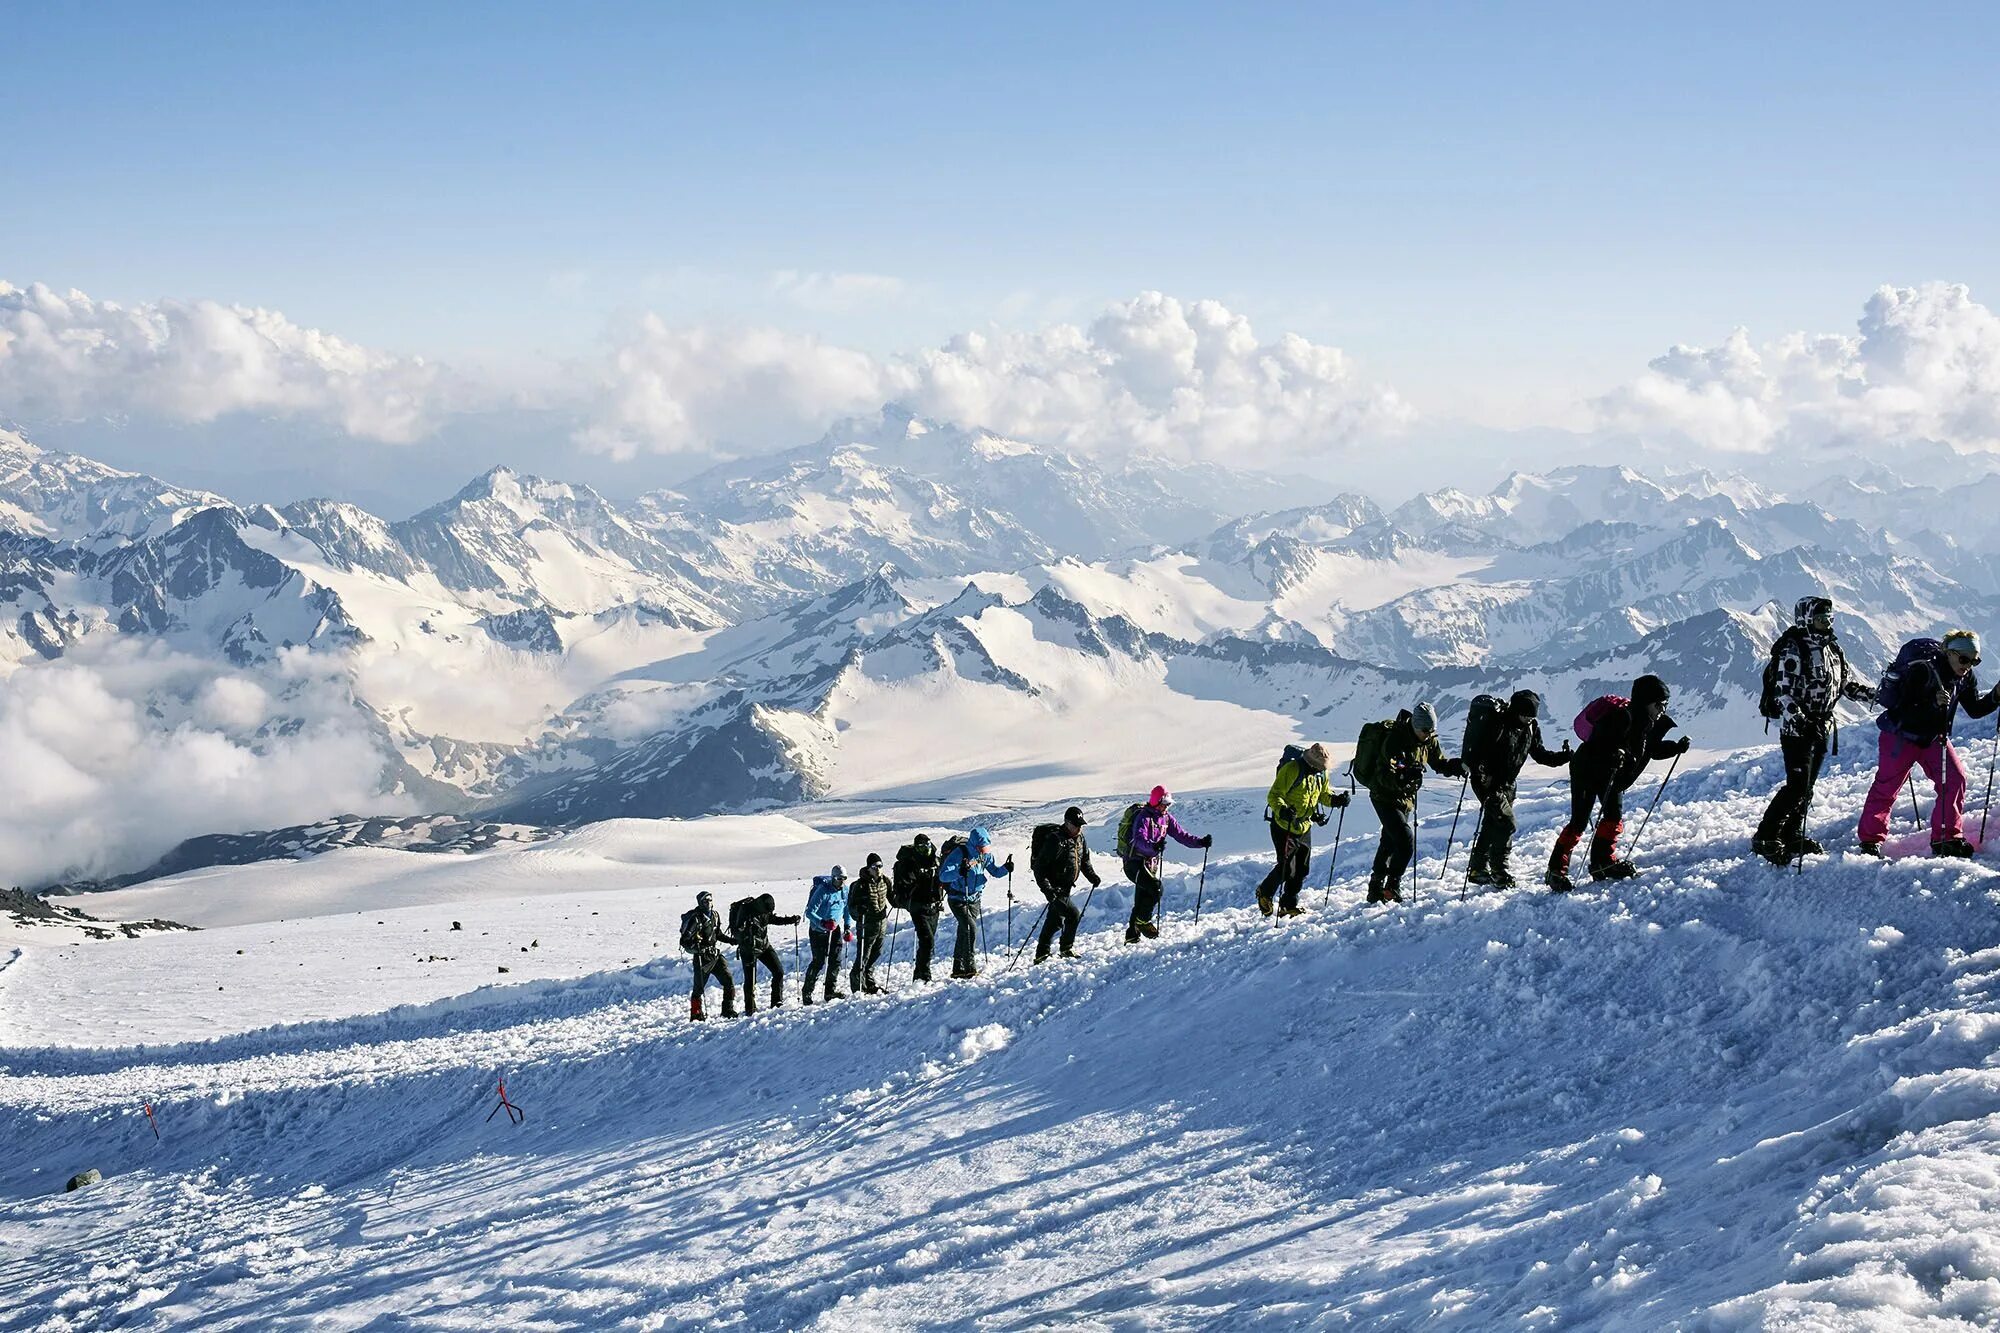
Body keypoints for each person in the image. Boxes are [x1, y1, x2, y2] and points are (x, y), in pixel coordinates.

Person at [1753, 597, 1878, 864]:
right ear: (1806, 619)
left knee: (1807, 787)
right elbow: (1782, 691)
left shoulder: (1832, 647)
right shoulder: (1793, 648)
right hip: (1797, 729)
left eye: (1830, 618)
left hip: (1821, 725)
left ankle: (1792, 833)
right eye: (1822, 618)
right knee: (1797, 786)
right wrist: (1799, 720)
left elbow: (1842, 684)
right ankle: (1766, 836)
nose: (1827, 623)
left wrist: (1872, 696)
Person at [1856, 629, 2000, 857]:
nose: (1968, 666)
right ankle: (1870, 840)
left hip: (1933, 738)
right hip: (1901, 736)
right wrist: (1932, 702)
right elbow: (1903, 708)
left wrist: (1996, 695)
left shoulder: (1964, 677)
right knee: (1887, 786)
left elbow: (1975, 709)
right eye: (1964, 659)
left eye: (1975, 661)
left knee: (1955, 779)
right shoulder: (1923, 670)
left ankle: (1946, 838)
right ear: (1949, 652)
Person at [1547, 675, 1690, 891]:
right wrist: (1614, 754)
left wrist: (1676, 748)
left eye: (1665, 704)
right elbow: (1599, 745)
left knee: (1613, 818)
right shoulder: (1622, 717)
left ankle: (1602, 863)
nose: (1663, 709)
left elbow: (1652, 750)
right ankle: (1556, 870)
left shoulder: (1647, 724)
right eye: (1659, 704)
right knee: (1580, 821)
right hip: (1587, 770)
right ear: (1645, 702)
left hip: (1611, 775)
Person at [1353, 702, 1466, 902]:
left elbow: (1439, 762)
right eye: (1425, 730)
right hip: (1383, 796)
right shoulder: (1396, 739)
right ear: (1414, 726)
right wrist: (1403, 776)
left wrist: (1457, 767)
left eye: (1432, 730)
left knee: (1389, 841)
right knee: (1405, 841)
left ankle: (1375, 888)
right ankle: (1392, 886)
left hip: (1405, 798)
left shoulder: (1428, 740)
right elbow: (1384, 774)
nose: (1428, 734)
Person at [1464, 690, 1571, 890]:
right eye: (1524, 715)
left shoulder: (1530, 727)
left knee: (1492, 823)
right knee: (1506, 823)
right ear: (1516, 711)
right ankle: (1499, 871)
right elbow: (1480, 754)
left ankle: (1478, 869)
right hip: (1487, 782)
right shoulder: (1498, 725)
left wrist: (1563, 758)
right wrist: (1482, 776)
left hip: (1509, 783)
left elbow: (1539, 754)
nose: (1527, 720)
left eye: (1531, 717)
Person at [1254, 743, 1351, 916]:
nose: (1322, 769)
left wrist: (1336, 800)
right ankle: (1265, 892)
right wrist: (1283, 810)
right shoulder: (1292, 769)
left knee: (1301, 868)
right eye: (1320, 767)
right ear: (1311, 762)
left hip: (1304, 825)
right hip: (1284, 826)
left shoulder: (1321, 774)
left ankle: (1288, 905)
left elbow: (1323, 795)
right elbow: (1274, 795)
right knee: (1286, 866)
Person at [1121, 787, 1209, 940]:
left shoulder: (1166, 818)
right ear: (1156, 801)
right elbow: (1138, 840)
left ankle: (1132, 935)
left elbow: (1181, 835)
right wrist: (1153, 846)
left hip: (1150, 864)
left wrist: (1200, 842)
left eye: (1168, 804)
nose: (1166, 807)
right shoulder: (1144, 817)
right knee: (1155, 889)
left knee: (1142, 898)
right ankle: (1143, 921)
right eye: (1164, 803)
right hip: (1134, 863)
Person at [938, 828, 1012, 979]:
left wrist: (1006, 868)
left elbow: (995, 872)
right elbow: (943, 876)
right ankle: (970, 967)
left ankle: (957, 968)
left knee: (964, 931)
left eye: (985, 848)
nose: (983, 851)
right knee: (970, 928)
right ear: (974, 845)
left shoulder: (985, 855)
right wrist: (959, 871)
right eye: (980, 848)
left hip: (974, 899)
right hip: (958, 898)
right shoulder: (959, 853)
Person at [1031, 806, 1101, 962]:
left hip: (1066, 886)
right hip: (1055, 888)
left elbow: (1084, 861)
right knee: (1073, 915)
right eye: (1076, 825)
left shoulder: (1080, 839)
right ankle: (1066, 948)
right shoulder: (1055, 841)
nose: (1079, 828)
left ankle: (1041, 954)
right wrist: (1047, 889)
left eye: (1080, 825)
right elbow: (1039, 868)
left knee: (1054, 921)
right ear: (1067, 823)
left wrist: (1092, 876)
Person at [733, 892, 798, 1013]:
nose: (768, 913)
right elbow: (737, 930)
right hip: (748, 950)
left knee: (778, 972)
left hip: (764, 946)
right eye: (768, 910)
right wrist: (744, 931)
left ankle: (776, 1001)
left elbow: (773, 919)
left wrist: (790, 920)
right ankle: (750, 1008)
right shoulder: (746, 910)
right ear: (761, 906)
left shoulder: (765, 911)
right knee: (750, 980)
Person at [679, 890, 737, 1021]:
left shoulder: (715, 915)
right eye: (705, 901)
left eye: (710, 900)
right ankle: (696, 1014)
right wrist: (696, 946)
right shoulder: (696, 919)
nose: (708, 903)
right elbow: (684, 941)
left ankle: (728, 1010)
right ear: (700, 902)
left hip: (715, 956)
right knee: (698, 989)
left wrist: (732, 941)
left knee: (728, 981)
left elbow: (718, 934)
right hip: (702, 958)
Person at [894, 834, 945, 982]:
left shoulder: (936, 861)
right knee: (927, 940)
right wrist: (919, 877)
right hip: (917, 906)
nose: (925, 850)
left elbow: (944, 877)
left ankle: (919, 973)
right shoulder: (910, 862)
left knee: (928, 942)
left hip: (934, 906)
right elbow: (906, 881)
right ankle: (925, 974)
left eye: (927, 846)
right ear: (916, 848)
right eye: (922, 847)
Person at [800, 866, 850, 1004]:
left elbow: (847, 909)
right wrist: (822, 923)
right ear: (833, 877)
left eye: (844, 878)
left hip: (835, 930)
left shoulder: (845, 891)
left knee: (836, 960)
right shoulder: (823, 891)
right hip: (818, 931)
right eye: (839, 878)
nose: (842, 881)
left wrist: (847, 927)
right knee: (819, 961)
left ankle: (830, 992)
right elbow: (810, 912)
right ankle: (807, 993)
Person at [846, 853, 893, 993]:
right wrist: (859, 910)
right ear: (869, 868)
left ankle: (869, 981)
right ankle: (857, 984)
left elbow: (891, 897)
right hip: (867, 923)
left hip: (881, 922)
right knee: (864, 954)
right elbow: (851, 906)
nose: (877, 869)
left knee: (877, 952)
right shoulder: (860, 885)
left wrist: (901, 901)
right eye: (874, 866)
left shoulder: (886, 881)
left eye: (880, 866)